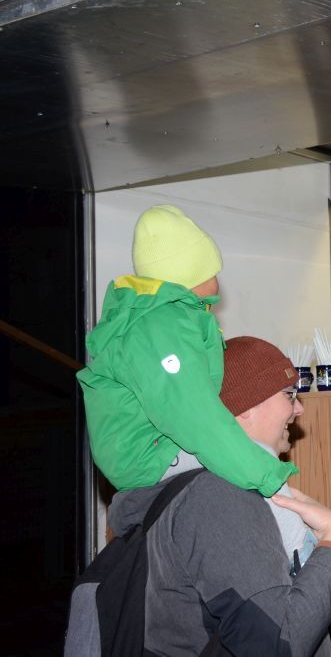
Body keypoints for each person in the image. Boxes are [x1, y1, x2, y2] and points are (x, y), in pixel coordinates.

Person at [90, 335, 331, 655]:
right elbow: (277, 643)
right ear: (244, 408)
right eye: (288, 395)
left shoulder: (194, 488)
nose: (299, 409)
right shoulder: (218, 496)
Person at [77, 204, 295, 497]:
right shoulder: (160, 328)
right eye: (211, 270)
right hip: (152, 457)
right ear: (192, 274)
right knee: (255, 468)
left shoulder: (164, 320)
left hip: (156, 451)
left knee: (246, 459)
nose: (217, 280)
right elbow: (196, 417)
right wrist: (270, 479)